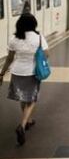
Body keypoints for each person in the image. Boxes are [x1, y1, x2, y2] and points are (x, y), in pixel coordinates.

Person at [0, 13, 49, 146]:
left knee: (23, 97)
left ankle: (28, 120)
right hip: (32, 72)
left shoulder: (14, 38)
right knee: (32, 98)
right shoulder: (38, 38)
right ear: (34, 24)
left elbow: (9, 58)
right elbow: (46, 54)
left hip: (17, 72)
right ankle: (22, 125)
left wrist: (2, 73)